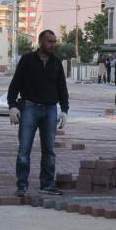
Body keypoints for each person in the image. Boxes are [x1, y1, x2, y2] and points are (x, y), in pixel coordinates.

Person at [7, 29, 68, 196]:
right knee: (24, 149)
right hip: (29, 108)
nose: (53, 45)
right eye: (50, 41)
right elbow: (15, 85)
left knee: (49, 150)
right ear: (41, 42)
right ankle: (22, 186)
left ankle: (47, 184)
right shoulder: (27, 60)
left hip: (50, 110)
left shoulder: (56, 62)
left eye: (54, 42)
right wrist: (12, 106)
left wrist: (64, 111)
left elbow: (62, 88)